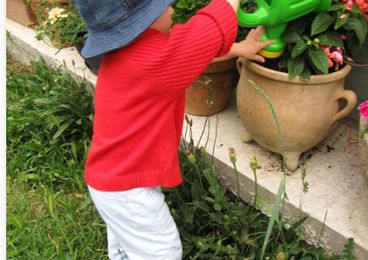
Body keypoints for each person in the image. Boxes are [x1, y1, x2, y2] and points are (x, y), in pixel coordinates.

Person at [74, 0, 273, 259]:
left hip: (114, 180)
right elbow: (206, 31)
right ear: (138, 24)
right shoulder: (153, 60)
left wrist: (239, 49)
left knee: (129, 247)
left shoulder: (130, 53)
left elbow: (190, 52)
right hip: (128, 190)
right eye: (161, 7)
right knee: (161, 251)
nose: (171, 10)